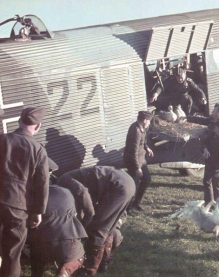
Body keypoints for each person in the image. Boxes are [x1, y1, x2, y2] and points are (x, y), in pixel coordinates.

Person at [56, 166, 135, 276]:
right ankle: (104, 261)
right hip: (125, 182)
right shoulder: (69, 178)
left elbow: (82, 193)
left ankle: (88, 270)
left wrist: (89, 216)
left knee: (98, 230)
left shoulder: (63, 181)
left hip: (117, 186)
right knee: (108, 226)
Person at [0, 107, 49, 277]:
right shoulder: (38, 149)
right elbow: (42, 183)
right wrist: (38, 212)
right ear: (38, 126)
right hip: (18, 207)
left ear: (20, 122)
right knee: (12, 255)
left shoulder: (2, 139)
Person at [29, 183, 87, 277]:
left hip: (41, 245)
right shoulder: (66, 192)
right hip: (68, 245)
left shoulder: (30, 194)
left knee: (36, 258)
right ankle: (64, 272)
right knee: (72, 262)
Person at [189, 103, 219, 207]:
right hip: (210, 158)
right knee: (208, 181)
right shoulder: (211, 121)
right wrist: (187, 117)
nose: (212, 112)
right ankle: (209, 204)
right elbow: (202, 123)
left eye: (214, 111)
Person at [123, 111, 154, 212]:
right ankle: (128, 207)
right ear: (144, 120)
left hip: (141, 160)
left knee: (146, 179)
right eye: (149, 121)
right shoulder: (135, 131)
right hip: (133, 161)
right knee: (134, 185)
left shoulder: (142, 128)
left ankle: (136, 204)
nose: (149, 123)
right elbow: (133, 151)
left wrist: (147, 148)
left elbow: (143, 141)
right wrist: (137, 168)